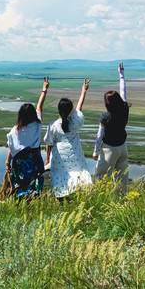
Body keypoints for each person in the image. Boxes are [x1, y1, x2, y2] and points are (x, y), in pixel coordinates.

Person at [44, 79, 93, 200]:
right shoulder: (75, 122)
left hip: (59, 159)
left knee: (61, 184)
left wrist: (47, 158)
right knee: (78, 182)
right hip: (76, 158)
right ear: (71, 111)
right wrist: (83, 91)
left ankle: (63, 203)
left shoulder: (53, 125)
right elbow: (79, 109)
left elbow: (49, 144)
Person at [4, 77, 49, 200]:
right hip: (34, 160)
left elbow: (12, 148)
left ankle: (20, 204)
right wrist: (44, 90)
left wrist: (8, 163)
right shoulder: (38, 125)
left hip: (19, 162)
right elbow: (40, 106)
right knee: (34, 186)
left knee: (20, 187)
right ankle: (33, 203)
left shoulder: (15, 130)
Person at [93, 62, 130, 195]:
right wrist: (121, 74)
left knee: (101, 178)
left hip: (110, 149)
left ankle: (98, 201)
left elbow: (99, 136)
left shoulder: (105, 117)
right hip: (123, 147)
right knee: (121, 179)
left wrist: (95, 152)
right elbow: (123, 91)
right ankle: (121, 201)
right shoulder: (124, 108)